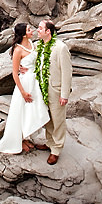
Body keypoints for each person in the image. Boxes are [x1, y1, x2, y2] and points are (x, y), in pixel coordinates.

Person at [0, 23, 50, 154]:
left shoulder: (32, 43)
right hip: (24, 84)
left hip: (34, 81)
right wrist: (23, 92)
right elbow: (15, 73)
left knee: (31, 110)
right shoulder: (17, 49)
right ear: (24, 34)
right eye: (29, 29)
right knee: (20, 111)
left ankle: (26, 136)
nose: (33, 30)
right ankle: (18, 140)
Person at [33, 20, 72, 164]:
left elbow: (67, 73)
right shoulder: (39, 46)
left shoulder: (60, 48)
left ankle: (57, 149)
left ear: (48, 31)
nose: (37, 30)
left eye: (40, 28)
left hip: (56, 91)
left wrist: (64, 94)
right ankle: (50, 142)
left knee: (58, 120)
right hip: (43, 90)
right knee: (47, 118)